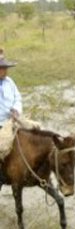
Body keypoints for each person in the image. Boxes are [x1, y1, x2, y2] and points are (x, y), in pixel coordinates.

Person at [0, 49, 22, 189]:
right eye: (3, 68)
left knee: (34, 132)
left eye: (6, 68)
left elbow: (18, 98)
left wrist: (16, 110)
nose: (6, 71)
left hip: (12, 121)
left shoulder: (10, 82)